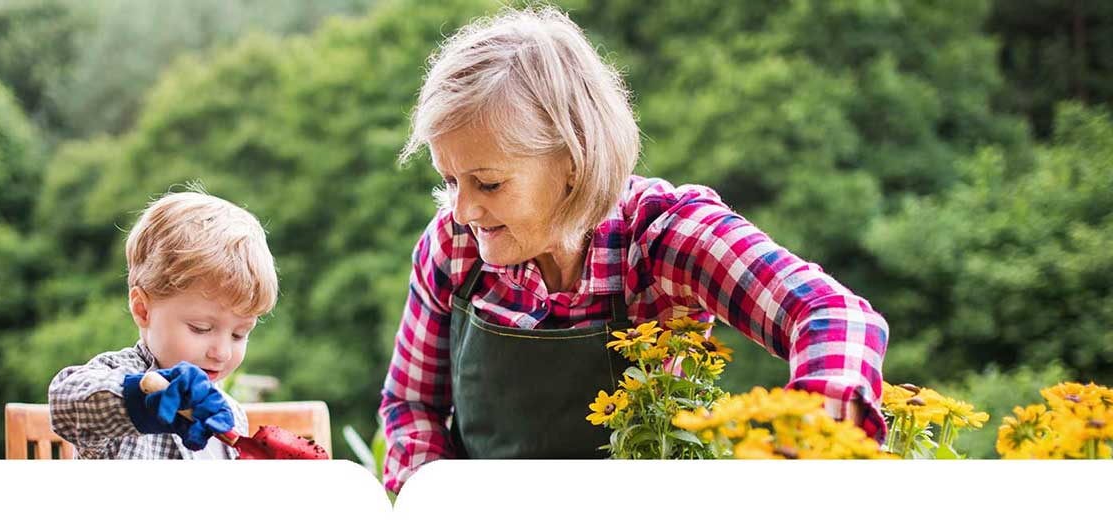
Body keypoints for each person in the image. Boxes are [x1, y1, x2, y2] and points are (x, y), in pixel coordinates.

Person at [379, 6, 888, 493]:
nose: (462, 210)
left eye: (487, 184)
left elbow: (831, 313)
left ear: (573, 162)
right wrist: (431, 499)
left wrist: (815, 429)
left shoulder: (663, 237)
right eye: (450, 180)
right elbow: (411, 404)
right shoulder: (453, 247)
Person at [49, 188, 279, 459]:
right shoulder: (117, 376)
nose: (222, 352)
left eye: (239, 334)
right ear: (143, 309)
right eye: (200, 328)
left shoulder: (231, 416)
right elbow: (65, 401)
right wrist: (143, 400)